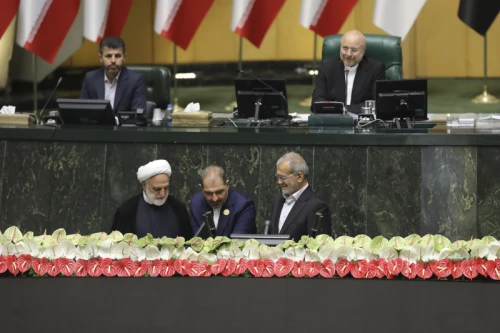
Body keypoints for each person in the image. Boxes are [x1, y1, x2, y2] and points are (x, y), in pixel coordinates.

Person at [111, 159, 193, 239]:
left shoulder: (179, 209)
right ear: (144, 185)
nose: (163, 194)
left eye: (166, 188)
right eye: (157, 189)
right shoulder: (127, 211)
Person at [311, 30, 385, 114]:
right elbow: (316, 103)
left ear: (363, 51)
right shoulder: (326, 69)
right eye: (345, 48)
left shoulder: (375, 69)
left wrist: (343, 110)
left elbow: (376, 103)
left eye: (354, 50)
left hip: (362, 122)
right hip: (333, 121)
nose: (348, 54)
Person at [269, 152, 331, 240]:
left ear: (299, 177)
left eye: (283, 177)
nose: (279, 182)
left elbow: (318, 248)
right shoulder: (277, 201)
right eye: (277, 177)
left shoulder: (317, 207)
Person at [80, 36, 146, 112]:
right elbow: (83, 110)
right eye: (108, 56)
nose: (113, 60)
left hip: (122, 124)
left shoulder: (135, 80)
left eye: (117, 56)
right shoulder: (90, 78)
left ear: (124, 58)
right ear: (100, 58)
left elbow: (138, 114)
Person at [189, 166, 257, 237]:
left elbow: (237, 243)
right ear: (201, 188)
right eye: (209, 193)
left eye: (219, 192)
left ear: (227, 184)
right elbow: (196, 241)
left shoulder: (243, 205)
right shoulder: (196, 203)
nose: (214, 198)